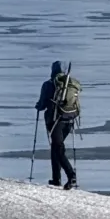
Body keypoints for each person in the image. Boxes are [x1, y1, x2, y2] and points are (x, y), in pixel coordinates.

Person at [34, 60, 80, 190]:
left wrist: (38, 106)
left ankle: (71, 176)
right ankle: (56, 178)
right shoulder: (70, 84)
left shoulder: (48, 84)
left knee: (58, 149)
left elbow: (42, 105)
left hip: (55, 121)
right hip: (69, 120)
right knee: (56, 147)